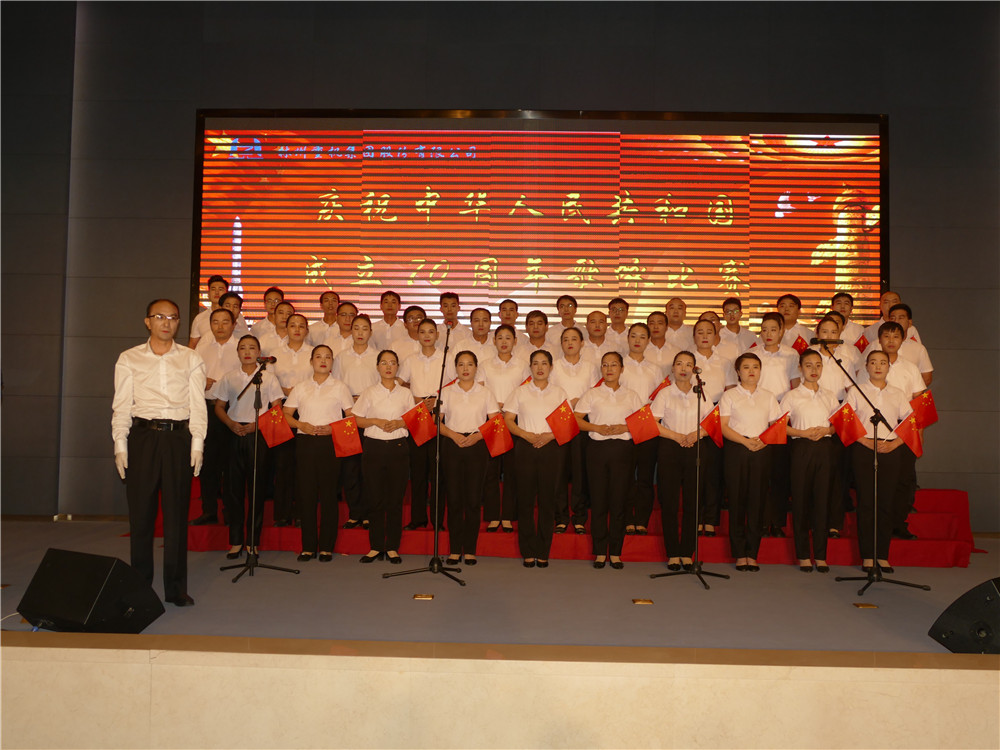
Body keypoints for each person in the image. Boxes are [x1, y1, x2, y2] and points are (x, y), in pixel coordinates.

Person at [112, 299, 207, 607]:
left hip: (178, 438)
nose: (167, 322)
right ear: (148, 321)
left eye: (173, 317)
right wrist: (120, 444)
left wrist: (197, 443)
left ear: (179, 323)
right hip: (142, 437)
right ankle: (140, 586)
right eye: (160, 317)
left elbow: (198, 405)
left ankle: (176, 588)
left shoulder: (191, 358)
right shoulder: (129, 358)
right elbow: (121, 405)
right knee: (141, 516)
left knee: (177, 515)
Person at [210, 335, 284, 561]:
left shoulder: (268, 378)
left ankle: (253, 541)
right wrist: (230, 423)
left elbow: (276, 408)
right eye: (243, 348)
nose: (247, 352)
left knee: (256, 489)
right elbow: (219, 406)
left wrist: (257, 425)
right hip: (234, 433)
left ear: (259, 352)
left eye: (252, 348)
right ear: (238, 353)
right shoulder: (229, 377)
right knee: (233, 490)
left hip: (258, 434)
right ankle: (236, 541)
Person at [283, 345, 354, 562]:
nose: (323, 360)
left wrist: (333, 429)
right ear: (311, 361)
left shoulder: (340, 387)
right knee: (306, 495)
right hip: (305, 442)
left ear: (332, 362)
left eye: (327, 357)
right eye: (318, 357)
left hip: (330, 442)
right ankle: (308, 546)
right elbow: (286, 414)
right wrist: (300, 425)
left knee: (329, 495)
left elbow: (351, 416)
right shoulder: (301, 387)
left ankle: (326, 547)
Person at [574, 351, 643, 570]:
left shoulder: (631, 395)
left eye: (614, 365)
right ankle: (599, 551)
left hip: (623, 450)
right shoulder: (592, 394)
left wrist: (624, 427)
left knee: (618, 502)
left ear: (622, 369)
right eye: (605, 365)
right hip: (597, 449)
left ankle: (615, 551)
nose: (609, 369)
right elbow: (576, 420)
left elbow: (643, 422)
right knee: (599, 501)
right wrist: (596, 427)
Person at [504, 350, 570, 568]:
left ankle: (543, 550)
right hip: (525, 446)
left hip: (550, 447)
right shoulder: (520, 391)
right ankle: (527, 550)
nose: (540, 367)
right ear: (530, 367)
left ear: (551, 367)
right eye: (535, 363)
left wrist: (549, 436)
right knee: (525, 501)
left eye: (544, 363)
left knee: (547, 501)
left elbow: (567, 423)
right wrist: (525, 435)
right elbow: (509, 420)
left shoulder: (559, 392)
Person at [846, 350, 910, 573]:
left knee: (886, 502)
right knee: (866, 502)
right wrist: (866, 442)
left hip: (890, 449)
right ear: (866, 366)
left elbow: (910, 423)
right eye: (873, 362)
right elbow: (847, 422)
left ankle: (882, 555)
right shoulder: (857, 391)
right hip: (864, 448)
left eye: (883, 362)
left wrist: (894, 444)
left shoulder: (898, 393)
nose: (878, 366)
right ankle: (867, 555)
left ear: (888, 367)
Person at [719, 352, 782, 572]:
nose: (751, 371)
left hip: (762, 449)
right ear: (738, 372)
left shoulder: (769, 396)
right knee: (737, 501)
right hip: (737, 449)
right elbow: (723, 426)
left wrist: (763, 441)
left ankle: (752, 553)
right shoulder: (729, 396)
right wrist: (745, 442)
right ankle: (739, 553)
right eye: (746, 367)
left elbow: (776, 425)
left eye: (755, 367)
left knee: (758, 501)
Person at [651, 351, 713, 571]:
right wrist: (677, 436)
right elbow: (653, 422)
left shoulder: (701, 393)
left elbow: (711, 422)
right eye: (679, 364)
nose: (684, 368)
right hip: (670, 446)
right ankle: (673, 553)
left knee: (692, 502)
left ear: (695, 369)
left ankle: (687, 552)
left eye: (688, 364)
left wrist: (696, 435)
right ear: (673, 369)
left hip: (695, 448)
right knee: (669, 502)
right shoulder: (665, 393)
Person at [439, 351, 501, 565]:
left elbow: (494, 421)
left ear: (476, 368)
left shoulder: (485, 393)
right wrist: (453, 435)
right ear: (455, 368)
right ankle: (455, 549)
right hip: (452, 444)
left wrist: (477, 436)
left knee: (473, 499)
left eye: (470, 364)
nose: (465, 369)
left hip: (477, 445)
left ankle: (471, 550)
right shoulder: (447, 392)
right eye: (461, 364)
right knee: (454, 498)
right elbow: (436, 422)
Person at [352, 350, 413, 564]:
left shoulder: (406, 393)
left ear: (398, 367)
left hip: (398, 448)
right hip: (374, 448)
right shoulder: (369, 392)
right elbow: (356, 419)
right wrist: (375, 421)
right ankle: (376, 546)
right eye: (384, 363)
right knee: (375, 498)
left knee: (395, 500)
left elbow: (414, 419)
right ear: (377, 366)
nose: (388, 367)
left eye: (393, 363)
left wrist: (399, 423)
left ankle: (393, 547)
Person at [780, 350, 839, 573]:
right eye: (809, 365)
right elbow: (780, 426)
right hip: (801, 448)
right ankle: (804, 555)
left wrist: (827, 430)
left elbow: (837, 425)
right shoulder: (792, 396)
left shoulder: (829, 395)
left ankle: (821, 556)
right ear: (800, 368)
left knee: (822, 501)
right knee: (801, 501)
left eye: (818, 365)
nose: (814, 370)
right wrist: (802, 433)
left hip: (825, 448)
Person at [398, 319, 455, 530]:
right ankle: (418, 518)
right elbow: (399, 384)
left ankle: (437, 521)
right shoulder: (410, 360)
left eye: (431, 332)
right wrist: (414, 400)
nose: (427, 336)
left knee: (438, 472)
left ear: (438, 335)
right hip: (417, 415)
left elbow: (456, 384)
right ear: (417, 334)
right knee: (418, 471)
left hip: (440, 414)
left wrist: (438, 400)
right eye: (423, 332)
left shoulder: (447, 358)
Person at [191, 307, 239, 525]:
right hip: (206, 409)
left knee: (231, 464)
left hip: (232, 410)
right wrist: (202, 382)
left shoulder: (240, 346)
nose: (220, 326)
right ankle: (209, 510)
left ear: (234, 324)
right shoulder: (201, 347)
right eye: (215, 322)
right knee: (208, 462)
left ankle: (230, 510)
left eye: (225, 322)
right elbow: (190, 376)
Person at [549, 327, 599, 533]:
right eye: (566, 339)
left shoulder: (590, 367)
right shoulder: (554, 366)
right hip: (559, 422)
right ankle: (560, 516)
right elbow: (549, 392)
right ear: (561, 344)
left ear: (582, 343)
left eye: (574, 339)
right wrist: (568, 403)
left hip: (582, 422)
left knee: (580, 472)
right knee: (558, 472)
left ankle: (579, 516)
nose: (570, 343)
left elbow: (595, 393)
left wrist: (580, 405)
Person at [479, 324, 529, 533]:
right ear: (494, 341)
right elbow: (480, 390)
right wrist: (494, 406)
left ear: (515, 341)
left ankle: (508, 515)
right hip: (491, 420)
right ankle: (492, 515)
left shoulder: (523, 365)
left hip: (513, 420)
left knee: (512, 471)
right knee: (490, 471)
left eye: (508, 338)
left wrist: (508, 407)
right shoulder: (485, 365)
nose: (504, 342)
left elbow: (526, 392)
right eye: (500, 337)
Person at [756, 312, 800, 537]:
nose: (768, 334)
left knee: (780, 473)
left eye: (773, 329)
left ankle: (777, 522)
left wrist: (789, 413)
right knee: (760, 473)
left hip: (782, 418)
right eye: (764, 329)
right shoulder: (753, 354)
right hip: (758, 418)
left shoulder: (791, 355)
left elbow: (795, 385)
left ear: (781, 331)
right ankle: (761, 521)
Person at [619, 322, 664, 535]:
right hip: (623, 426)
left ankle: (642, 520)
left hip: (647, 426)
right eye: (633, 336)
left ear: (648, 341)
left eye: (642, 337)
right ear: (627, 338)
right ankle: (627, 518)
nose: (637, 340)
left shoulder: (655, 369)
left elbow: (659, 398)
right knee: (626, 476)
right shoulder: (619, 365)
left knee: (645, 476)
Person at [270, 312, 314, 526]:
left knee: (304, 465)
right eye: (293, 325)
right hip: (281, 408)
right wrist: (284, 390)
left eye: (301, 326)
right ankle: (282, 513)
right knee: (282, 464)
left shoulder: (314, 353)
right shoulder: (275, 354)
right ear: (286, 329)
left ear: (307, 330)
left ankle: (301, 513)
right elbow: (269, 381)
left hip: (307, 410)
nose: (297, 329)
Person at [189, 275, 248, 348]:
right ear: (208, 294)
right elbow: (192, 346)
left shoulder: (238, 317)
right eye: (213, 289)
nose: (217, 292)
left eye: (220, 289)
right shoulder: (199, 318)